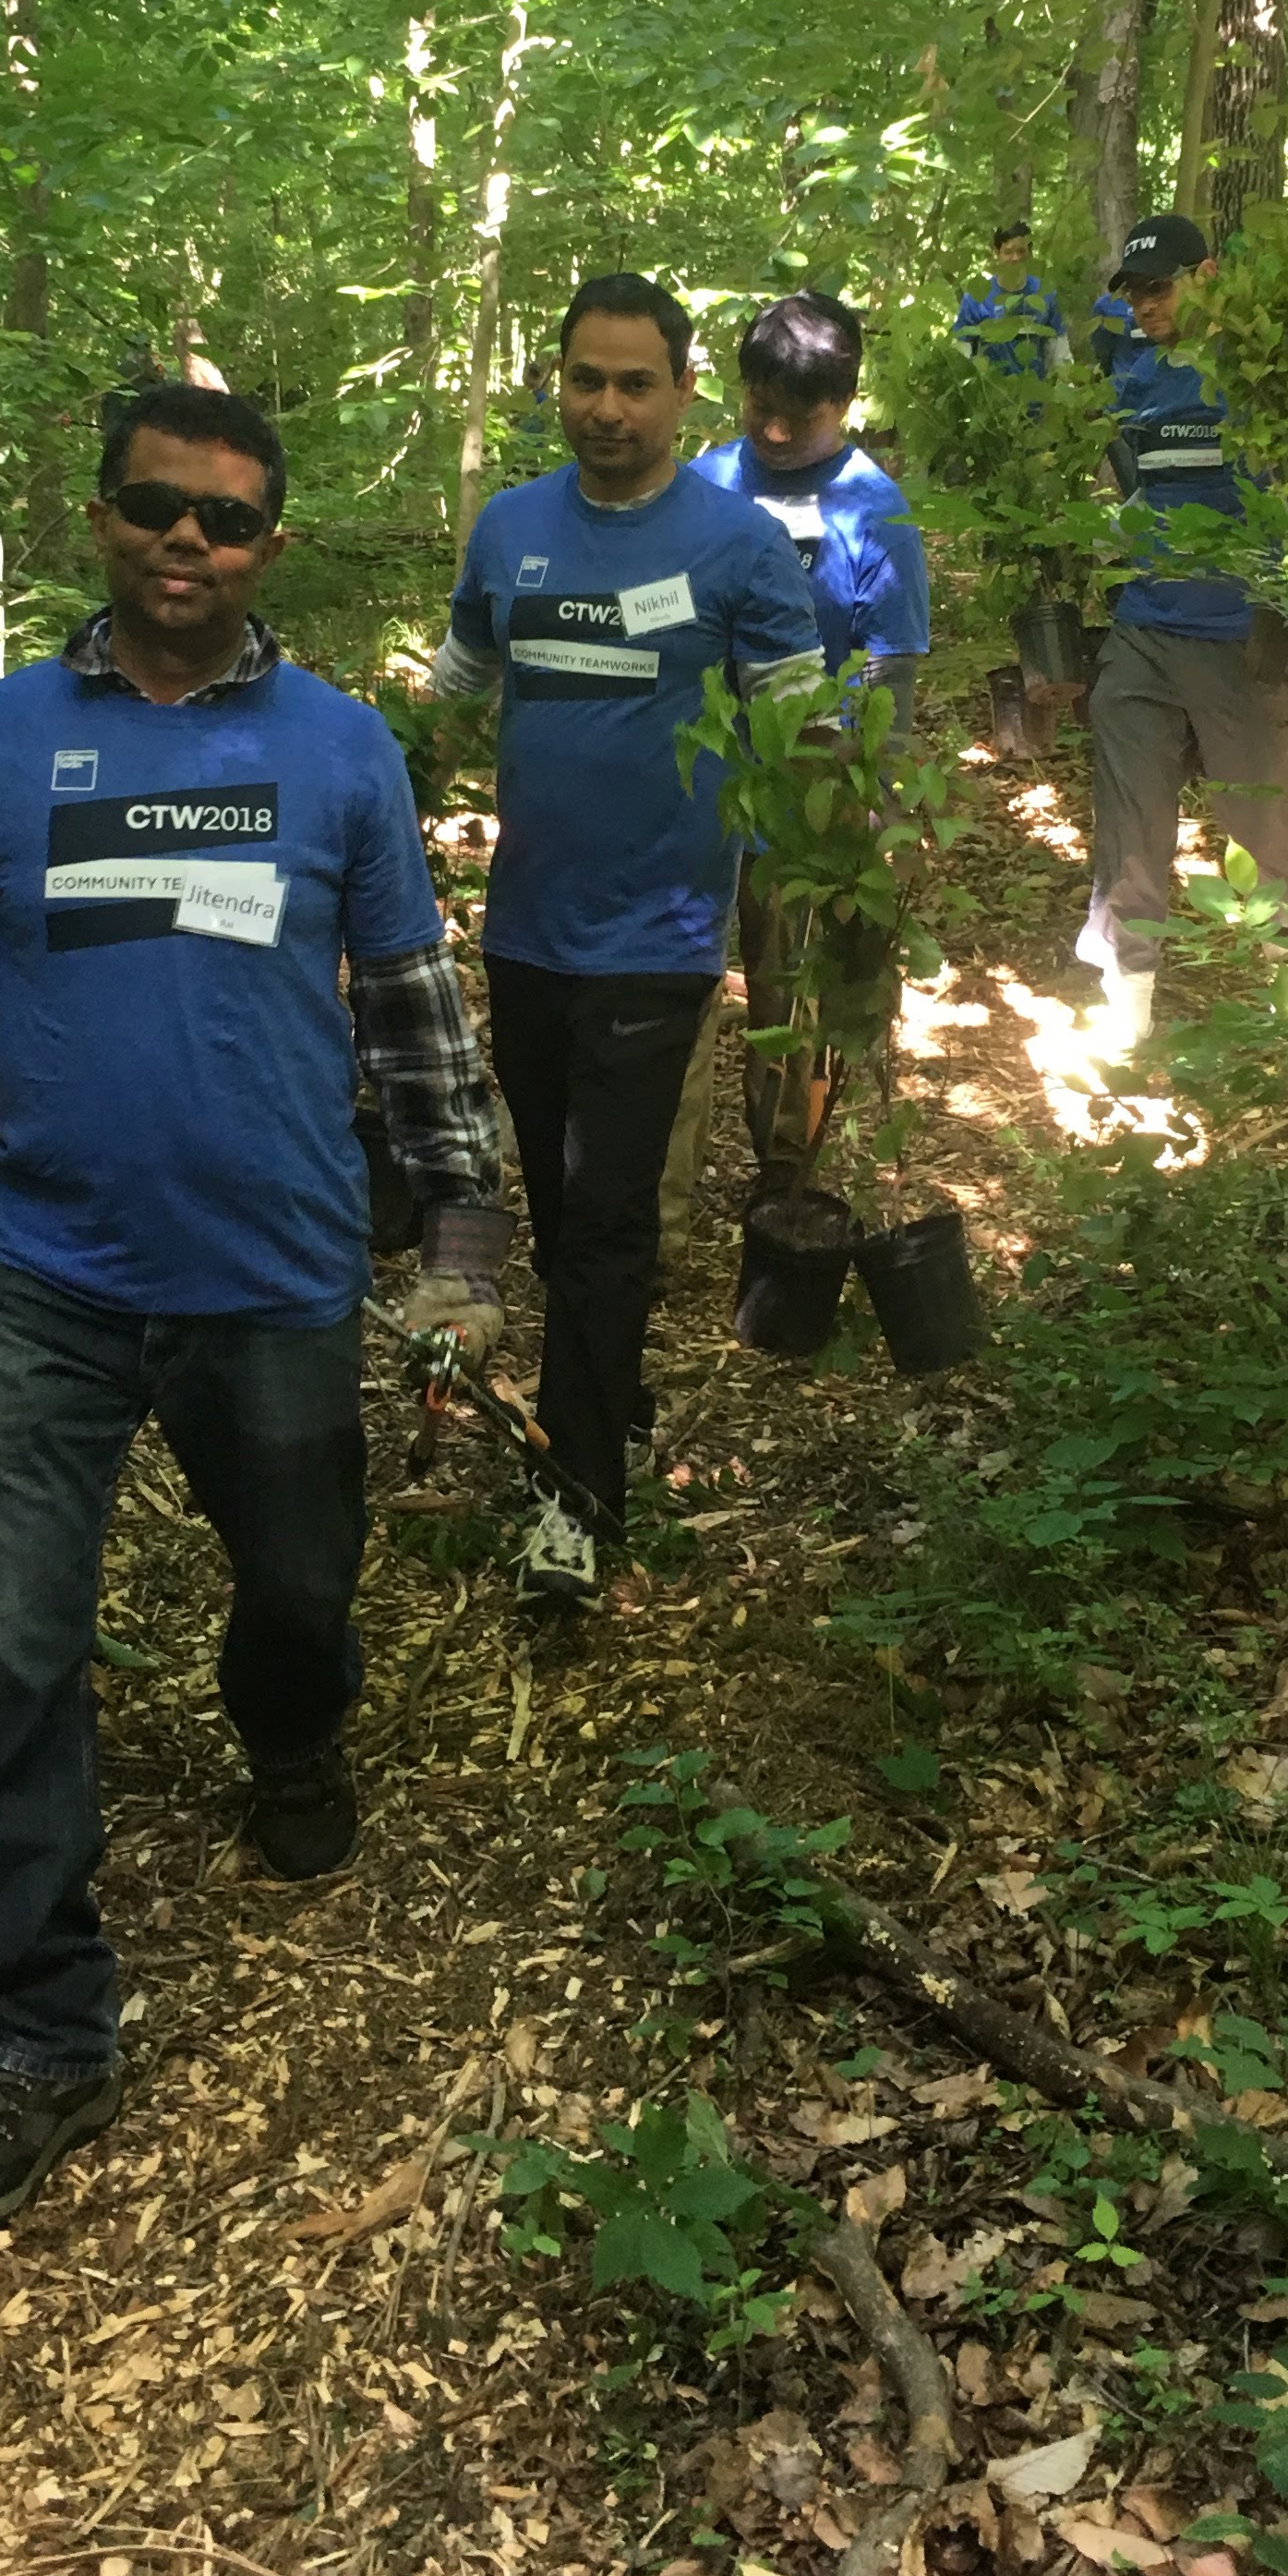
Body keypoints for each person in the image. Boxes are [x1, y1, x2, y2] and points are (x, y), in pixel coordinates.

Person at [0, 381, 508, 2238]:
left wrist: (460, 1245)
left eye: (230, 518)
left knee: (297, 1597)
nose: (190, 540)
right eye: (156, 507)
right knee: (15, 1659)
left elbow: (415, 1011)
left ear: (272, 544)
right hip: (52, 1288)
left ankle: (295, 1737)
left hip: (273, 1279)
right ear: (102, 517)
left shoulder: (342, 753)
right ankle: (37, 2032)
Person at [435, 272, 825, 1606]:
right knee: (555, 1202)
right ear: (560, 383)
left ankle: (574, 1499)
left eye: (635, 383)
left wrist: (839, 854)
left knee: (606, 1219)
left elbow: (798, 724)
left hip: (657, 935)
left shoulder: (736, 547)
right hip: (528, 929)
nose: (608, 407)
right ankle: (609, 1396)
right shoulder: (509, 531)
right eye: (585, 380)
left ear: (681, 392)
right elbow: (461, 686)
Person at [685, 289, 931, 1170]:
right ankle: (656, 1201)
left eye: (801, 417)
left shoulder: (875, 511)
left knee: (789, 1006)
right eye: (761, 409)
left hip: (805, 805)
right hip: (695, 792)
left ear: (846, 401)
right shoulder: (704, 485)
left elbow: (885, 671)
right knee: (672, 991)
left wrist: (867, 799)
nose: (776, 434)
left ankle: (787, 1180)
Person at [1077, 212, 1288, 1051]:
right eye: (1135, 291)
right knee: (1131, 827)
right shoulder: (1129, 376)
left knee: (1261, 824)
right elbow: (1125, 481)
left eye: (1160, 286)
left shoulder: (1260, 375)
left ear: (1206, 277)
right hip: (1142, 630)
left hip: (1238, 636)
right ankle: (1129, 1003)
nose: (1145, 303)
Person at [953, 218, 1066, 380]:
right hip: (993, 397)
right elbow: (962, 352)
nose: (1015, 258)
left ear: (1030, 252)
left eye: (1021, 251)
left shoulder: (1045, 295)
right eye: (1008, 252)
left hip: (1035, 396)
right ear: (996, 252)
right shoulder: (976, 299)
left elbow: (1059, 352)